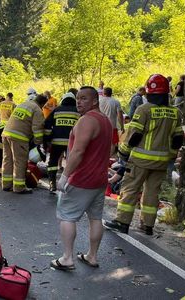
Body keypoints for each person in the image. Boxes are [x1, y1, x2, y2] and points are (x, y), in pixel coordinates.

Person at [104, 74, 183, 235]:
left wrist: (123, 153)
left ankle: (122, 222)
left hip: (140, 160)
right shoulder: (175, 113)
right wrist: (172, 155)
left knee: (130, 190)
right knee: (152, 193)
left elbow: (134, 135)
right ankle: (147, 226)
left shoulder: (144, 110)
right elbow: (178, 138)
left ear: (149, 93)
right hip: (161, 162)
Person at [50, 86, 112, 271]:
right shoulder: (105, 120)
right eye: (78, 98)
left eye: (84, 98)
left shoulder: (87, 120)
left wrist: (65, 176)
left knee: (67, 217)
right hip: (99, 180)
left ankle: (67, 258)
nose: (79, 101)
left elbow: (78, 151)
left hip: (82, 179)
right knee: (95, 218)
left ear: (95, 101)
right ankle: (92, 256)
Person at [1, 93, 46, 194]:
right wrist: (38, 143)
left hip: (6, 134)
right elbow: (37, 128)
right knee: (20, 161)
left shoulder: (23, 104)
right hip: (19, 137)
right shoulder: (37, 110)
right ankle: (19, 187)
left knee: (7, 159)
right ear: (42, 103)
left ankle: (6, 185)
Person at [44, 92, 80, 193]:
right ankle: (70, 185)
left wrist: (47, 139)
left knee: (53, 162)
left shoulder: (57, 110)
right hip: (72, 144)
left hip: (56, 142)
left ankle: (52, 183)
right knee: (72, 163)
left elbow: (47, 125)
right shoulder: (78, 111)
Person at [99, 87, 124, 155]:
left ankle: (101, 158)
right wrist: (122, 126)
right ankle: (109, 158)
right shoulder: (116, 102)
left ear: (104, 93)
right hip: (112, 126)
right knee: (112, 143)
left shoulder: (99, 101)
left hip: (100, 125)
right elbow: (119, 116)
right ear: (111, 93)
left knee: (100, 142)